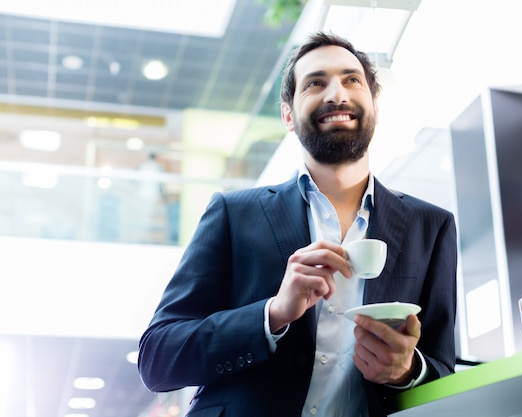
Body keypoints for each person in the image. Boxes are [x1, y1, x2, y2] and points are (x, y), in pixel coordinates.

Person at [138, 32, 457, 417]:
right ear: (288, 115)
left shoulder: (431, 227)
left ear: (374, 105)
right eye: (315, 83)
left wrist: (407, 370)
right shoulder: (233, 213)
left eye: (351, 79)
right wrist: (271, 314)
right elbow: (157, 358)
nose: (336, 94)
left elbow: (441, 367)